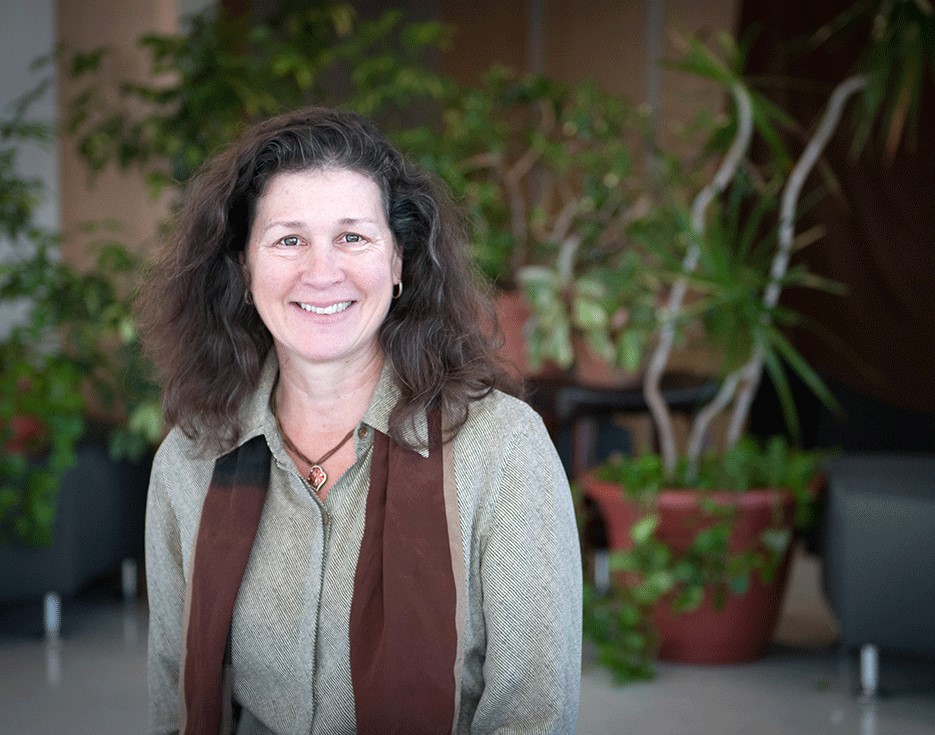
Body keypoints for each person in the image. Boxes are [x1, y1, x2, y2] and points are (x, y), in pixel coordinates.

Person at [141, 106, 582, 735]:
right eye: (289, 239)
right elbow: (172, 697)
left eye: (353, 237)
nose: (322, 272)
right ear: (243, 268)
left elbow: (534, 717)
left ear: (399, 263)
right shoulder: (191, 460)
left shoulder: (502, 447)